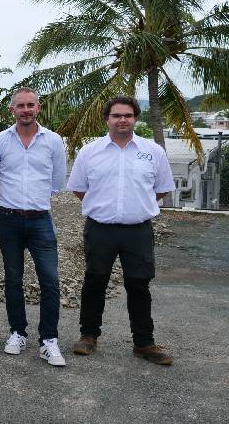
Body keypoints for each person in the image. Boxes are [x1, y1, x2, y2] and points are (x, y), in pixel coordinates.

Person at [67, 96, 175, 366]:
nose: (122, 120)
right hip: (100, 229)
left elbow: (160, 189)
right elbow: (80, 189)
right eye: (116, 115)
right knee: (94, 282)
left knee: (138, 285)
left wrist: (134, 207)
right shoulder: (90, 152)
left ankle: (144, 343)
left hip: (137, 231)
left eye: (128, 115)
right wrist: (104, 207)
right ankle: (88, 336)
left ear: (136, 118)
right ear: (107, 119)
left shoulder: (153, 151)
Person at [0, 87, 68, 367]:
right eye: (20, 106)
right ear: (12, 110)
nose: (26, 110)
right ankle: (17, 332)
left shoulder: (54, 141)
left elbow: (57, 183)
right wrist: (11, 201)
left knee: (50, 281)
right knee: (13, 278)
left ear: (39, 107)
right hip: (7, 219)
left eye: (30, 105)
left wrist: (31, 202)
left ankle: (49, 340)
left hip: (41, 219)